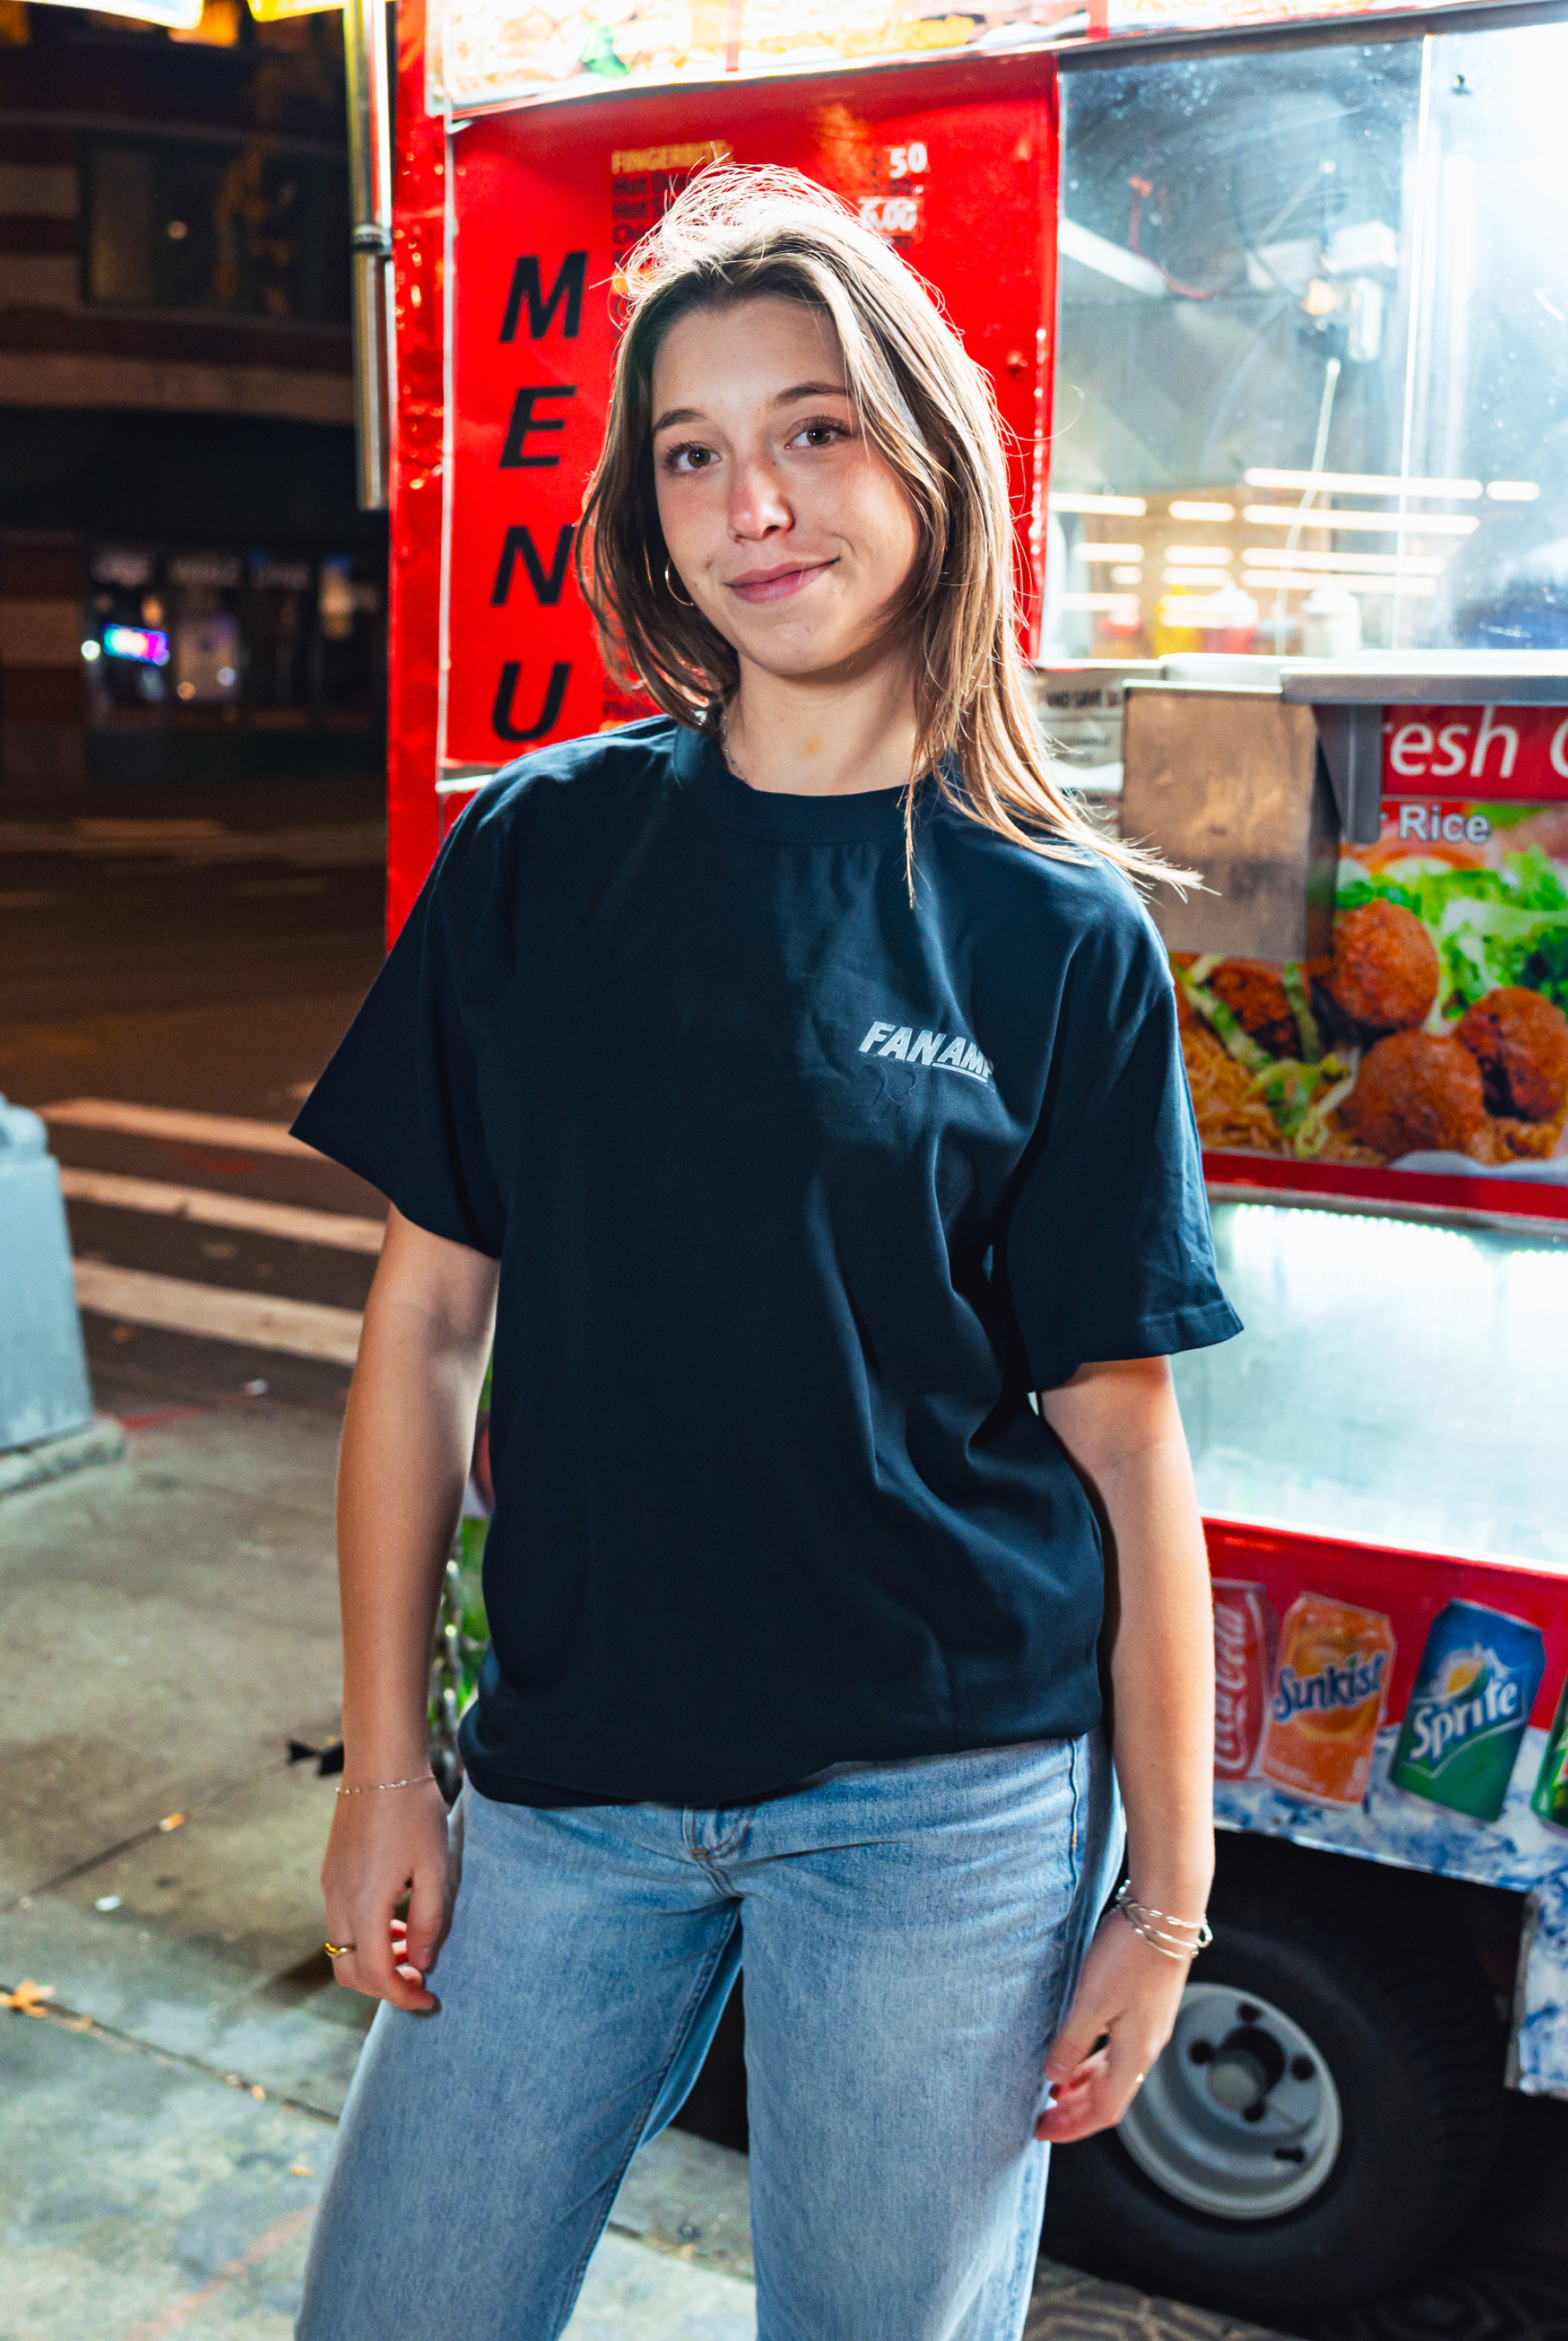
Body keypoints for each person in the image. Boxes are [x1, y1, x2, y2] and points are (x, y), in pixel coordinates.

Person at [292, 167, 1239, 2341]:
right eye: (694, 452)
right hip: (565, 1780)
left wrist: (1166, 1906)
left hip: (943, 1806)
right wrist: (388, 1761)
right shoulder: (544, 850)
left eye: (814, 427)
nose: (757, 504)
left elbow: (1127, 1451)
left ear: (924, 452)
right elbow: (429, 1327)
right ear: (646, 507)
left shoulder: (1055, 934)